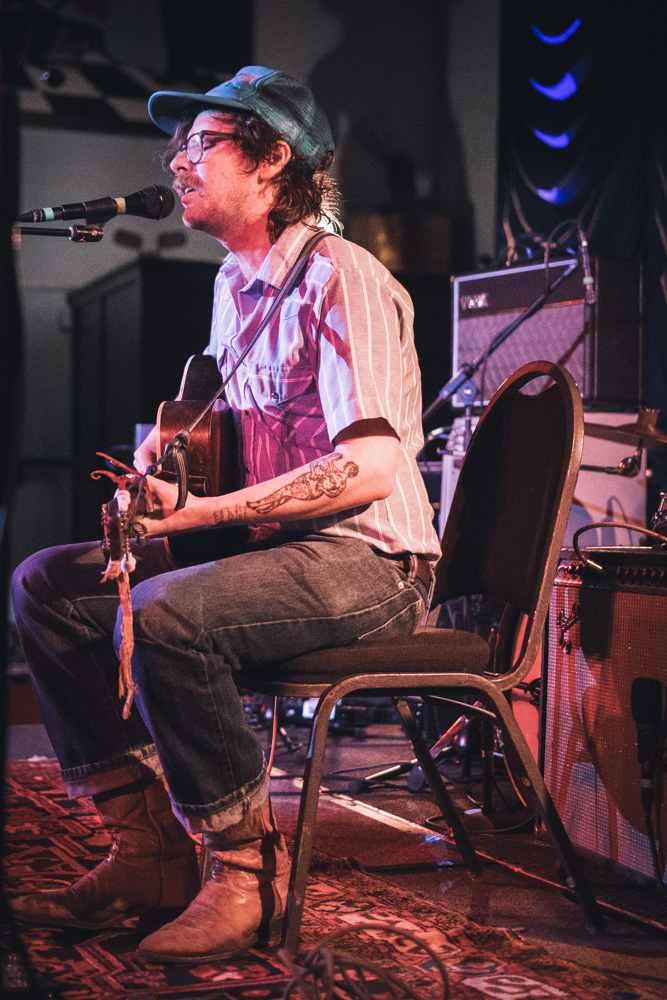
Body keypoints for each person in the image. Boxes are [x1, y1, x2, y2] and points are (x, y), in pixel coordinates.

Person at [10, 65, 441, 963]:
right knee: (47, 585)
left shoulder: (341, 275)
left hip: (370, 562)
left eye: (202, 142)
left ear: (273, 159)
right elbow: (222, 441)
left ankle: (246, 872)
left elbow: (367, 467)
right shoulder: (230, 291)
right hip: (273, 548)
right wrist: (166, 482)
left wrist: (197, 514)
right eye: (179, 143)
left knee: (168, 616)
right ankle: (147, 850)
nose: (177, 161)